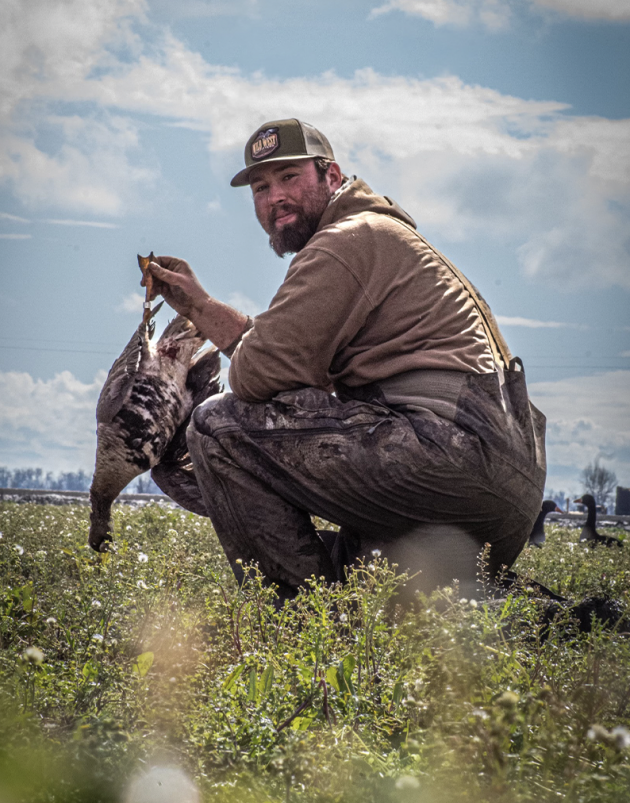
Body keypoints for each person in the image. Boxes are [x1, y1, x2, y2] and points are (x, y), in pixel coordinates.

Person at [146, 119, 546, 601]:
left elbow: (255, 374)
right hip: (496, 483)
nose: (274, 197)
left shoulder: (344, 242)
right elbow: (279, 353)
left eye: (290, 177)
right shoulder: (379, 236)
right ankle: (545, 617)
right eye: (260, 187)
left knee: (216, 426)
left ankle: (307, 626)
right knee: (370, 582)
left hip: (448, 454)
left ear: (331, 176)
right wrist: (199, 308)